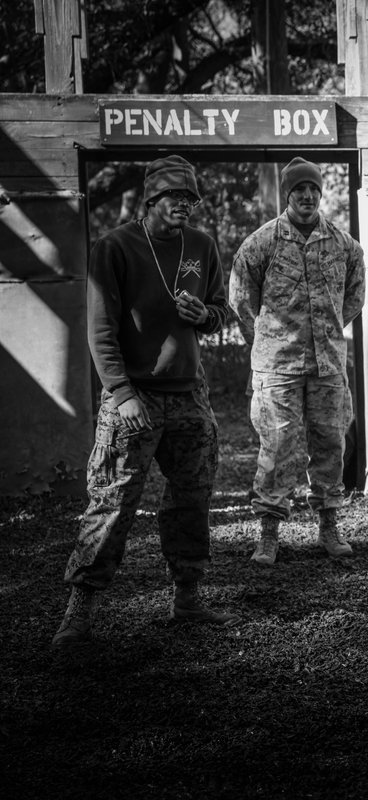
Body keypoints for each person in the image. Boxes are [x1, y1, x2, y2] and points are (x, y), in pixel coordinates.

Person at [52, 155, 238, 646]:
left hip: (189, 396)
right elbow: (101, 329)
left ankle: (188, 598)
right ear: (151, 198)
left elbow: (223, 310)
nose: (185, 206)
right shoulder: (115, 247)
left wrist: (205, 314)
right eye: (175, 197)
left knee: (192, 499)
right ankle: (80, 608)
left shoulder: (202, 245)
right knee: (113, 501)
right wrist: (120, 393)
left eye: (191, 198)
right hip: (133, 398)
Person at [229, 158, 365, 566]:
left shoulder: (344, 245)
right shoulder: (261, 243)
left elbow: (354, 298)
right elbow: (240, 299)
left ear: (320, 194)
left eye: (313, 189)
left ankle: (329, 527)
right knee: (278, 448)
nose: (307, 196)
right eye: (298, 190)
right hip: (277, 367)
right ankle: (268, 535)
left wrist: (324, 327)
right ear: (287, 194)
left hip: (327, 365)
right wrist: (270, 337)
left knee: (330, 445)